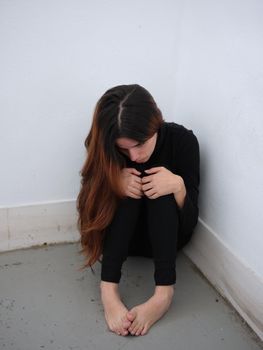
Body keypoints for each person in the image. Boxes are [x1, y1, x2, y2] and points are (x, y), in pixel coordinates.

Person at [77, 84, 200, 337]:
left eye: (140, 144)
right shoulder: (106, 146)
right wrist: (113, 183)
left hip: (166, 241)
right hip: (120, 240)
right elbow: (89, 210)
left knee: (160, 185)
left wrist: (178, 187)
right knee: (130, 185)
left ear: (157, 123)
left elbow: (189, 224)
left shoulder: (183, 142)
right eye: (124, 149)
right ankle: (108, 289)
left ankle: (163, 294)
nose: (134, 156)